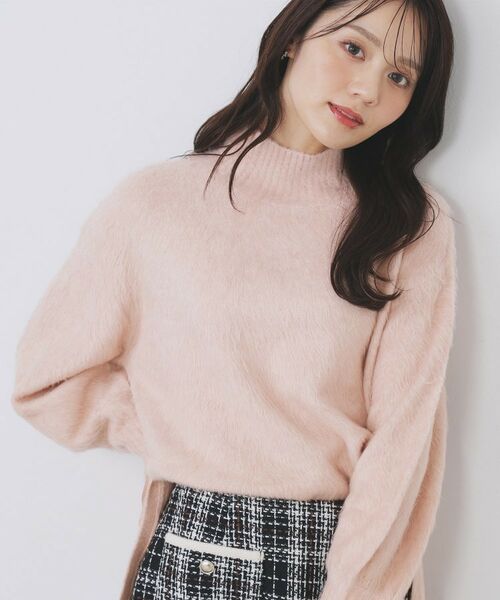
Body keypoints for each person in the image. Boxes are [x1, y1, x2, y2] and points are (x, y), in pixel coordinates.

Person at [10, 0, 458, 599]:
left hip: (344, 550)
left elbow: (405, 440)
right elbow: (46, 381)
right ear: (293, 38)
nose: (369, 88)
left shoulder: (408, 226)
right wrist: (189, 433)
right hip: (197, 549)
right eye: (353, 48)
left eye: (400, 76)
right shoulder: (155, 204)